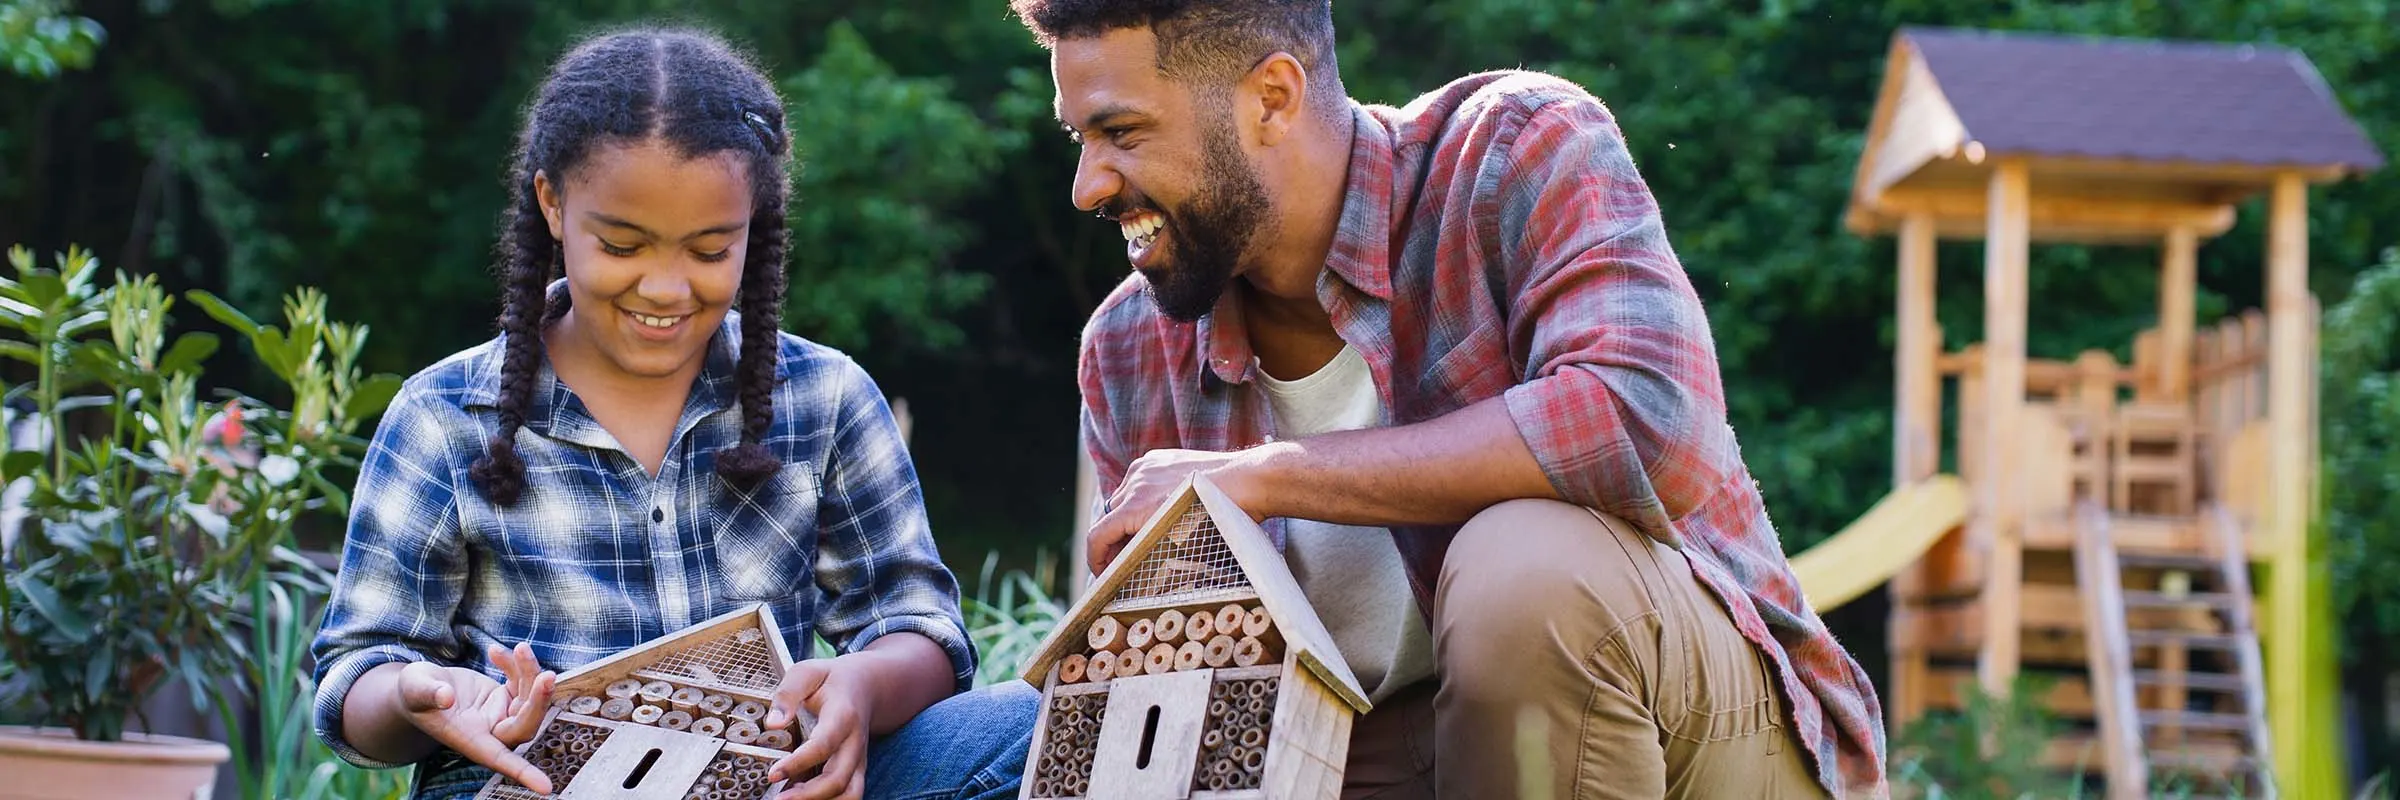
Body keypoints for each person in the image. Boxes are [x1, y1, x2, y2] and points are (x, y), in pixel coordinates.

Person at [1011, 1, 1887, 798]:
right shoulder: (1128, 349)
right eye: (1077, 139)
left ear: (1272, 98)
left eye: (1121, 132)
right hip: (1366, 767)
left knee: (1527, 573)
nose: (1089, 184)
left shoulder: (1515, 149)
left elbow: (1646, 418)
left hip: (1699, 737)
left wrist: (1267, 476)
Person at [308, 25, 1035, 800]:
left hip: (771, 777)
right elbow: (357, 672)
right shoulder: (444, 417)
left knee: (1030, 724)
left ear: (753, 225)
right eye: (623, 247)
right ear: (553, 203)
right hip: (532, 785)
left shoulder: (824, 398)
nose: (665, 287)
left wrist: (858, 687)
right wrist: (422, 696)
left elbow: (922, 631)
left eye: (710, 250)